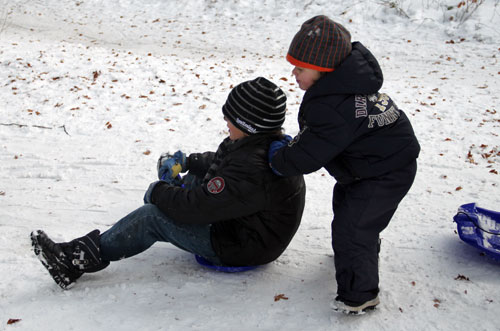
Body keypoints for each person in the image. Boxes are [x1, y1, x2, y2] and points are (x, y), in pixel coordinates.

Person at [31, 77, 306, 290]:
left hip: (241, 247)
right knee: (200, 179)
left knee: (152, 218)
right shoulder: (263, 145)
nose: (225, 121)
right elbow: (224, 165)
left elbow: (198, 207)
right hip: (246, 227)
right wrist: (189, 162)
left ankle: (75, 261)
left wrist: (160, 193)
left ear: (249, 124)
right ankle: (175, 196)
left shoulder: (253, 169)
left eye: (231, 118)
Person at [268, 16, 420, 314]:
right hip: (372, 164)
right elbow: (322, 137)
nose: (293, 72)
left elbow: (307, 155)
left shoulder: (333, 106)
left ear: (324, 70)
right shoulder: (347, 84)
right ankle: (354, 256)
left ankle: (360, 294)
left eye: (300, 67)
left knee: (355, 227)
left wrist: (278, 157)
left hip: (386, 172)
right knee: (350, 213)